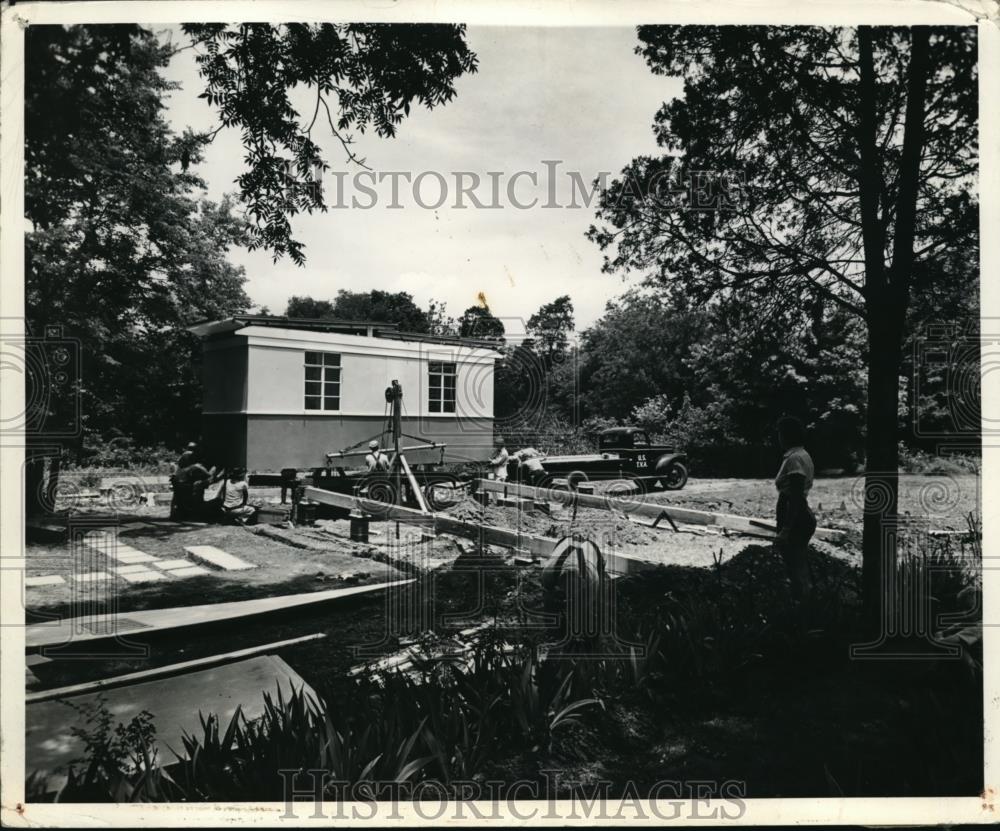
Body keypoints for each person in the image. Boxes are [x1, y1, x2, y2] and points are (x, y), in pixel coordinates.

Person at [773, 416, 817, 600]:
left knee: (795, 568)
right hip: (799, 515)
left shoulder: (794, 459)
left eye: (780, 434)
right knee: (798, 565)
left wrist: (786, 529)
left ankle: (804, 608)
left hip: (796, 518)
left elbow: (795, 497)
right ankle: (805, 604)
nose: (779, 438)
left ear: (787, 435)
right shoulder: (801, 455)